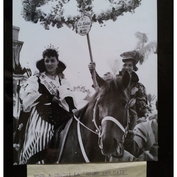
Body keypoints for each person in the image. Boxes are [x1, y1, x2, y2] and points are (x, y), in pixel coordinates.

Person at [16, 47, 76, 164]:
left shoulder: (62, 80)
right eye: (47, 61)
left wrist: (72, 107)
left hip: (59, 112)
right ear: (44, 62)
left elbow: (67, 94)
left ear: (57, 62)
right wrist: (49, 98)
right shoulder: (36, 79)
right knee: (42, 133)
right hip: (41, 110)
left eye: (52, 60)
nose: (49, 63)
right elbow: (29, 96)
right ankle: (33, 160)